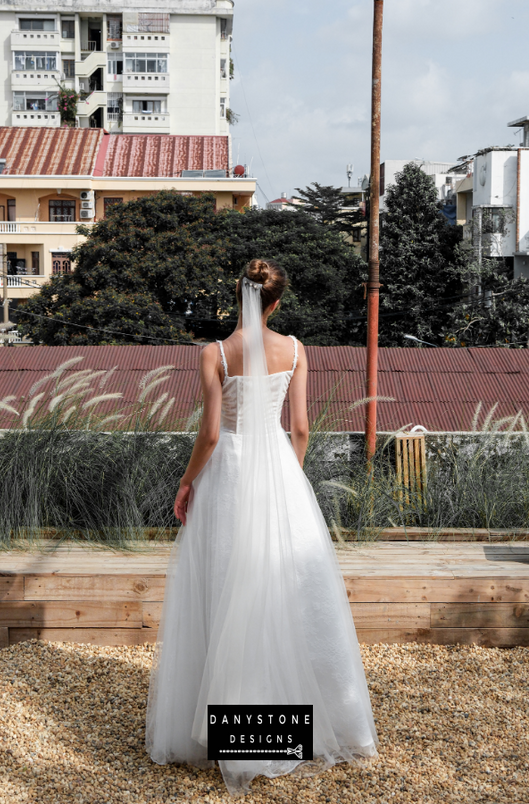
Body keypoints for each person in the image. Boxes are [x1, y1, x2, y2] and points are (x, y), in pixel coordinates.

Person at [145, 259, 379, 797]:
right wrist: (284, 481)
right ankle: (301, 729)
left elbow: (208, 434)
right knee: (290, 594)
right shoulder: (296, 350)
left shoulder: (214, 353)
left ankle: (228, 734)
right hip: (277, 469)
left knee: (225, 588)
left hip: (227, 471)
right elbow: (298, 427)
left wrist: (185, 484)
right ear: (277, 302)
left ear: (239, 296)